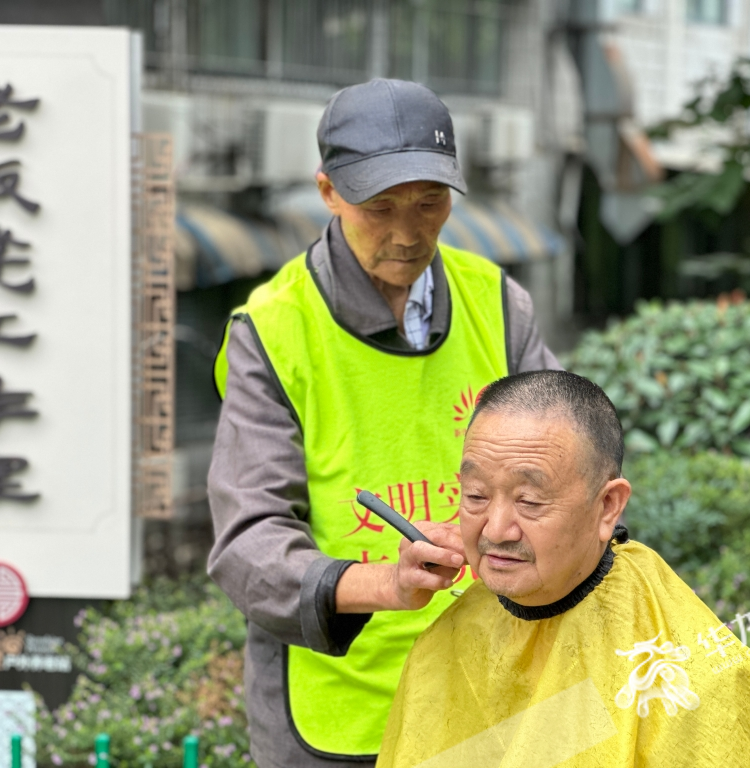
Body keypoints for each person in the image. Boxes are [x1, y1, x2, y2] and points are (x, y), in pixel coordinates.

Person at [208, 78, 560, 767]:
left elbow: (563, 465)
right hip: (339, 714)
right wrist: (386, 586)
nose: (407, 234)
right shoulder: (274, 329)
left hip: (490, 695)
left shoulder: (499, 302)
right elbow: (249, 542)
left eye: (430, 204)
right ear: (328, 192)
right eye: (379, 207)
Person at [377, 370, 750, 768]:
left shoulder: (680, 668)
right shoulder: (444, 644)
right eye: (476, 495)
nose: (495, 528)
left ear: (608, 506)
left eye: (529, 501)